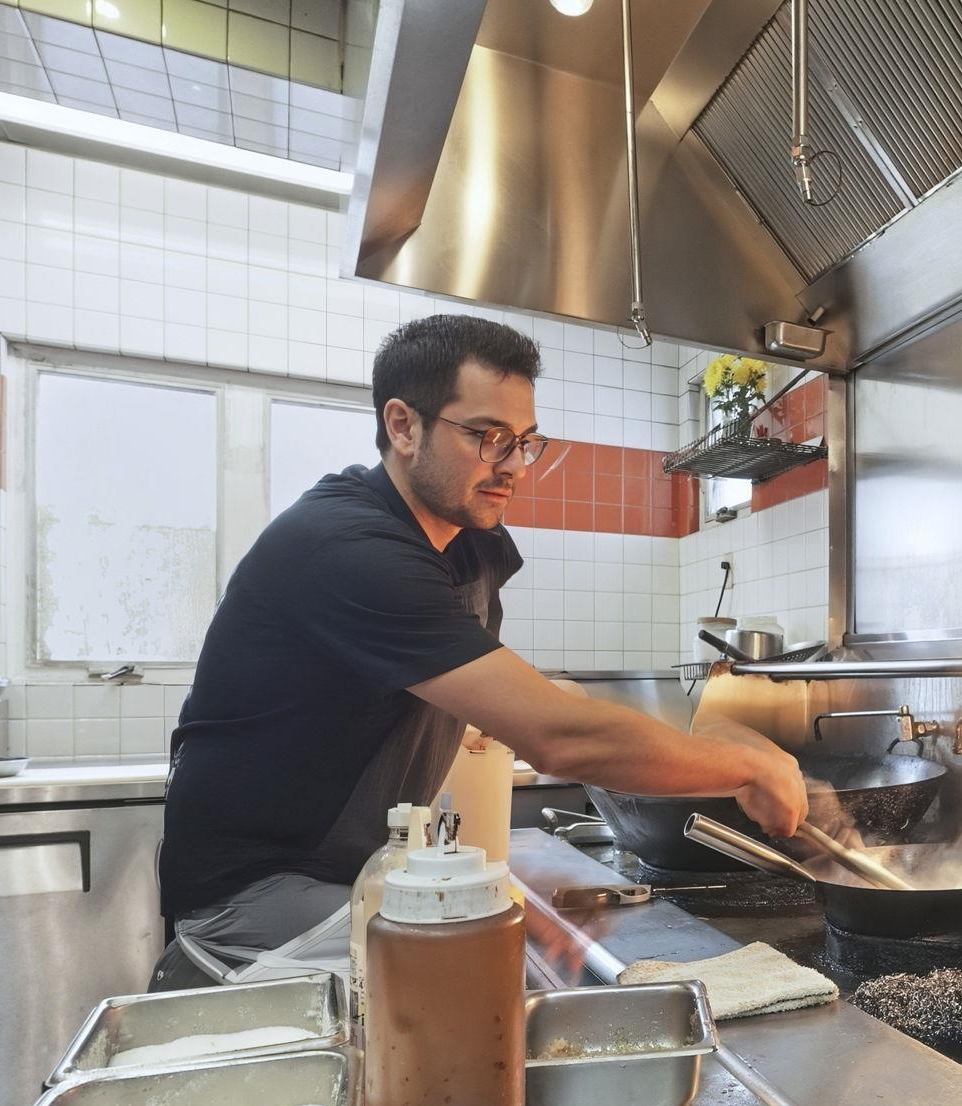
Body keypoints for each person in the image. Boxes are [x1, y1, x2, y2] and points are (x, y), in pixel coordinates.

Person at [150, 314, 807, 989]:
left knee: (523, 968)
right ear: (403, 426)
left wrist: (479, 880)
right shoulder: (348, 547)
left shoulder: (466, 549)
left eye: (525, 441)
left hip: (357, 879)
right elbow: (555, 737)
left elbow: (483, 715)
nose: (515, 465)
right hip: (250, 905)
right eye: (488, 436)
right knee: (488, 990)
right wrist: (748, 767)